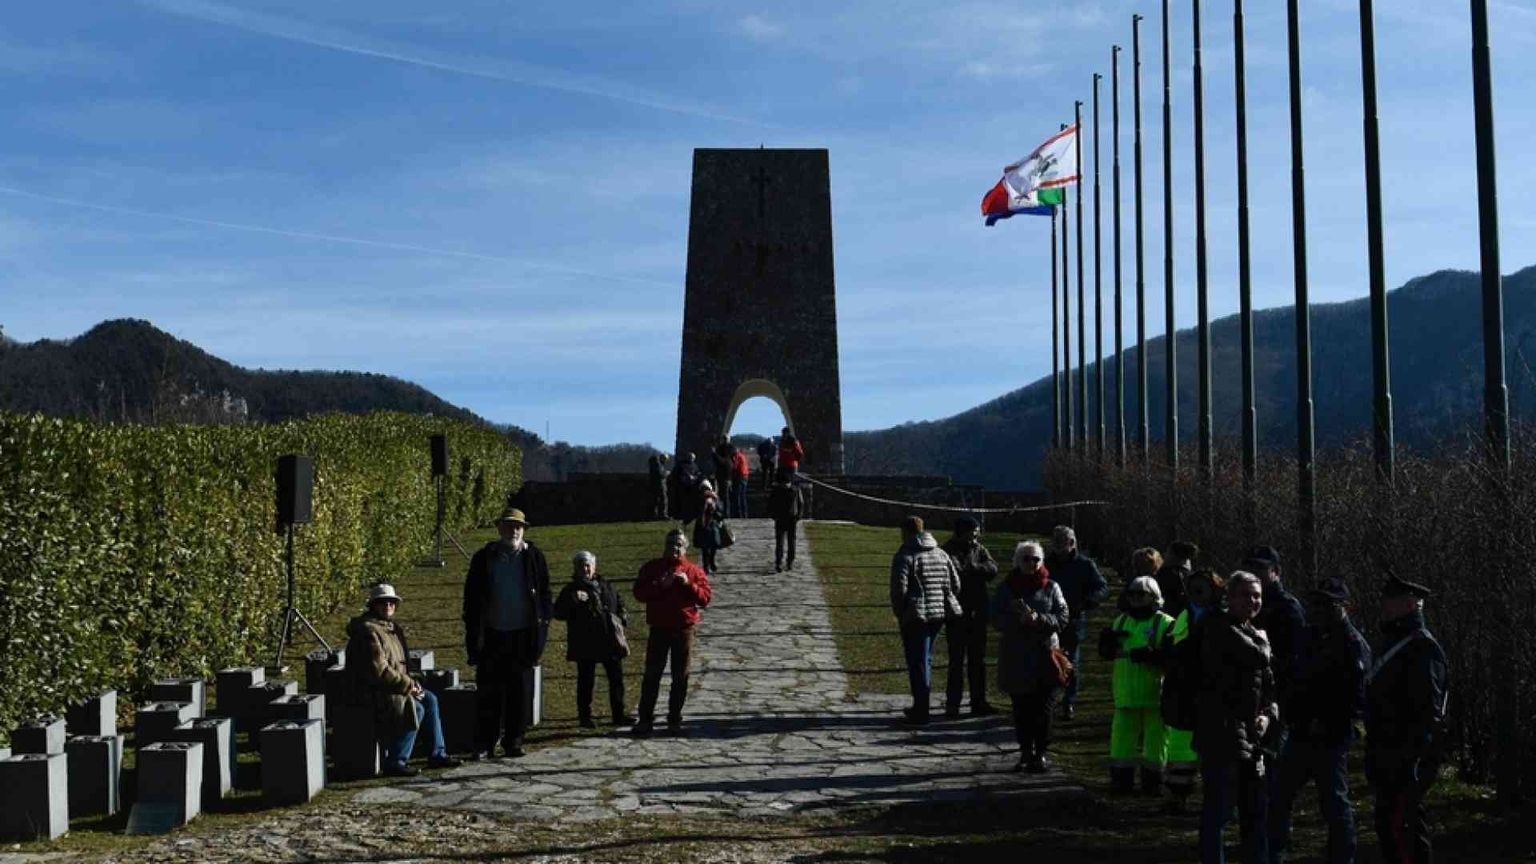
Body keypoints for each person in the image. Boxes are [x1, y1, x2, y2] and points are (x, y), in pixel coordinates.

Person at [1268, 577, 1370, 864]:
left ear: (1345, 607)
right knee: (1279, 795)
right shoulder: (1310, 636)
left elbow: (1356, 698)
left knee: (1334, 803)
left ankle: (1342, 857)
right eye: (1316, 604)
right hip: (1301, 731)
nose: (1319, 610)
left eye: (1328, 604)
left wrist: (1329, 723)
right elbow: (1295, 677)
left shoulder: (1352, 644)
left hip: (1330, 736)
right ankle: (1275, 851)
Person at [1195, 571, 1278, 864]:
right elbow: (1258, 657)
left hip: (1251, 737)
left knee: (1255, 813)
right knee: (1219, 812)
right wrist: (1264, 643)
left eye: (1257, 596)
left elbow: (1269, 686)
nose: (1253, 601)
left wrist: (1267, 715)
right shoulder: (1218, 628)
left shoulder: (1252, 631)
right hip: (1222, 734)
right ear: (1229, 597)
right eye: (1246, 595)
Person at [1365, 573, 1448, 864]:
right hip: (1387, 753)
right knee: (1390, 829)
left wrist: (1413, 757)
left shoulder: (1421, 647)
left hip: (1405, 757)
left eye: (1392, 600)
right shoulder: (1396, 642)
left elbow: (1428, 711)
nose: (1385, 605)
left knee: (1406, 832)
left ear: (1411, 604)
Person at [462, 507, 551, 759]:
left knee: (519, 693)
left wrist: (543, 623)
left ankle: (514, 741)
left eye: (518, 527)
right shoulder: (484, 557)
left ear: (524, 530)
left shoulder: (534, 557)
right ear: (499, 528)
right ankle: (485, 743)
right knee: (489, 692)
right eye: (509, 526)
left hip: (522, 634)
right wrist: (473, 630)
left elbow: (545, 593)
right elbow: (471, 596)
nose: (514, 531)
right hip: (492, 634)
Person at [346, 583, 461, 776]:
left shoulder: (391, 628)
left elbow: (401, 665)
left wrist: (415, 682)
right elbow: (379, 672)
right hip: (373, 691)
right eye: (383, 602)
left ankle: (437, 753)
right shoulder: (368, 632)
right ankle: (396, 761)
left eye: (391, 602)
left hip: (393, 686)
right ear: (373, 605)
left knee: (430, 699)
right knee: (415, 708)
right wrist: (408, 685)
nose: (388, 606)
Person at [990, 540, 1068, 772]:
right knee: (1022, 709)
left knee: (1044, 709)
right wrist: (1019, 621)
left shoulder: (1051, 587)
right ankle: (1025, 751)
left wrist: (1039, 619)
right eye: (1026, 558)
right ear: (1017, 561)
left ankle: (1040, 753)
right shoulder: (1007, 587)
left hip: (1046, 656)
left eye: (1036, 559)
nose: (1031, 563)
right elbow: (994, 617)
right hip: (1017, 656)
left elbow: (1063, 617)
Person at [632, 529, 713, 735]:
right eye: (670, 544)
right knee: (652, 674)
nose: (674, 548)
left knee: (680, 676)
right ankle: (645, 719)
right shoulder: (652, 568)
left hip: (684, 630)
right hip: (659, 628)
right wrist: (660, 585)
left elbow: (705, 598)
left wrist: (689, 585)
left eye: (679, 545)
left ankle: (674, 719)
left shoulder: (694, 571)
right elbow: (639, 593)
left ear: (685, 548)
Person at [1099, 576, 1174, 794]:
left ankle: (1153, 783)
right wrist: (1105, 646)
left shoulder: (1166, 623)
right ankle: (1121, 782)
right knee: (1121, 743)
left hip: (1155, 696)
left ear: (1154, 596)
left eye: (1141, 594)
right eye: (1131, 593)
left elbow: (1174, 657)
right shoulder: (1120, 621)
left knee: (1156, 745)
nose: (1135, 598)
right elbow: (1109, 654)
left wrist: (1153, 655)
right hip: (1125, 695)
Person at [888, 515, 964, 725]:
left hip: (916, 614)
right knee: (926, 659)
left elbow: (899, 590)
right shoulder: (940, 553)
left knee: (917, 662)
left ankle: (921, 709)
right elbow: (956, 585)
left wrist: (900, 612)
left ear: (906, 532)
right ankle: (921, 706)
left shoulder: (905, 555)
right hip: (939, 614)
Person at [1161, 568, 1225, 810]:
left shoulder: (1222, 617)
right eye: (1192, 588)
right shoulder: (1182, 614)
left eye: (1202, 587)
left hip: (1209, 692)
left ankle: (1214, 802)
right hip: (1181, 691)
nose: (1196, 592)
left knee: (1212, 751)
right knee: (1180, 749)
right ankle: (1176, 796)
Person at [551, 551, 635, 729]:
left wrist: (622, 616)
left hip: (609, 639)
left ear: (594, 567)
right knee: (586, 681)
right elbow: (557, 612)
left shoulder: (605, 584)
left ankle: (619, 715)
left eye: (588, 565)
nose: (585, 569)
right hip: (585, 641)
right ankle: (585, 717)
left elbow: (619, 602)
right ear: (575, 568)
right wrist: (573, 600)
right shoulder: (570, 589)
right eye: (581, 565)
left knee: (616, 679)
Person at [1045, 525, 1109, 720]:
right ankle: (1051, 700)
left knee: (1070, 662)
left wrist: (1087, 602)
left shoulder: (1085, 565)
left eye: (1061, 541)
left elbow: (1102, 588)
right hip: (1049, 620)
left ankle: (1068, 702)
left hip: (1073, 620)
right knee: (1048, 661)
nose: (1057, 545)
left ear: (1071, 543)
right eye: (1055, 541)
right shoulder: (1046, 563)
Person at [941, 517, 1000, 717]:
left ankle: (978, 701)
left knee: (978, 660)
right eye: (972, 533)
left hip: (978, 611)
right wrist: (975, 571)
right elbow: (956, 572)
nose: (975, 537)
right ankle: (953, 703)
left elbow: (993, 568)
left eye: (977, 533)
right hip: (957, 612)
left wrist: (975, 568)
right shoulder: (947, 550)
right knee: (956, 661)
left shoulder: (979, 549)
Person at [1247, 545, 1306, 718]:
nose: (1254, 573)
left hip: (1278, 693)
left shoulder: (1288, 607)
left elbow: (1297, 656)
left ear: (1276, 571)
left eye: (1261, 568)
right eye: (1251, 568)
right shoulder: (1247, 603)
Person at [767, 467, 804, 572]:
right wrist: (799, 515)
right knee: (790, 541)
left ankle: (780, 562)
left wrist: (773, 515)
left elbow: (770, 504)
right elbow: (801, 503)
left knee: (781, 541)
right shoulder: (795, 490)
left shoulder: (776, 490)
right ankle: (788, 562)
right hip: (791, 518)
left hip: (781, 518)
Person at [1157, 540, 1198, 618]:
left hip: (1167, 615)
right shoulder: (1193, 576)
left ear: (1173, 555)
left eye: (1168, 552)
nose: (1165, 555)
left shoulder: (1165, 574)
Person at [1118, 547, 1164, 613]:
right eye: (1139, 563)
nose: (1143, 566)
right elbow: (1122, 603)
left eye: (1149, 562)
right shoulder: (1133, 582)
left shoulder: (1162, 581)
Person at [693, 480, 723, 575]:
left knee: (713, 546)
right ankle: (706, 565)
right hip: (703, 525)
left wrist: (714, 507)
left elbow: (720, 511)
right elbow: (696, 512)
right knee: (705, 548)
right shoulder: (699, 499)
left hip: (712, 525)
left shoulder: (714, 498)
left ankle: (711, 562)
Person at [667, 452, 703, 527]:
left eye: (692, 458)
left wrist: (694, 477)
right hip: (682, 486)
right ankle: (680, 515)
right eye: (690, 457)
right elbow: (675, 474)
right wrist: (683, 477)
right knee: (682, 501)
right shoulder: (681, 465)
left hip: (692, 486)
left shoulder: (695, 465)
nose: (691, 459)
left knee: (690, 502)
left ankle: (689, 516)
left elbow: (698, 473)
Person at [647, 452, 669, 520]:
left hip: (653, 485)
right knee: (662, 500)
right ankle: (662, 515)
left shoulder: (653, 465)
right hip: (660, 485)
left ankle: (653, 515)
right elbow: (660, 474)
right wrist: (666, 473)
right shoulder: (659, 465)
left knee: (655, 501)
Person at [731, 445, 750, 518]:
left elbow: (735, 466)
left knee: (738, 496)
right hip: (745, 476)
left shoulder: (736, 456)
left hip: (740, 477)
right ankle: (745, 514)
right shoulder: (742, 455)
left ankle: (739, 514)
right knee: (743, 496)